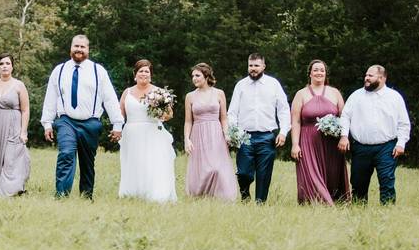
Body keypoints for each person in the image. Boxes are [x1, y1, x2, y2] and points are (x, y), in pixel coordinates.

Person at [41, 34, 123, 199]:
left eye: (82, 47)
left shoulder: (98, 71)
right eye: (76, 46)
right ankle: (61, 195)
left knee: (87, 162)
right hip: (66, 121)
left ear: (88, 50)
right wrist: (47, 123)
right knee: (65, 154)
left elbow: (110, 98)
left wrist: (117, 124)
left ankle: (86, 196)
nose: (79, 49)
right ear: (71, 48)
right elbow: (51, 97)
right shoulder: (60, 70)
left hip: (90, 122)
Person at [338, 65, 411, 204]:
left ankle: (387, 213)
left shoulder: (394, 97)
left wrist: (401, 143)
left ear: (382, 78)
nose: (366, 78)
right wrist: (344, 135)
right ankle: (358, 213)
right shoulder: (356, 96)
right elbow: (345, 116)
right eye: (366, 75)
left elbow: (403, 123)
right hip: (360, 147)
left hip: (387, 147)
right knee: (358, 183)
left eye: (370, 76)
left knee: (387, 182)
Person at [227, 53, 290, 203]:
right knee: (243, 172)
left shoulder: (273, 84)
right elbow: (232, 112)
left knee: (264, 173)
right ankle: (245, 194)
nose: (253, 69)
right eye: (250, 65)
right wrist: (233, 132)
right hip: (244, 136)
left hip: (266, 136)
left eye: (256, 65)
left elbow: (283, 109)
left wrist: (283, 132)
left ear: (263, 66)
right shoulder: (241, 85)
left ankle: (260, 203)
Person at [290, 59, 350, 205]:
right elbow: (296, 121)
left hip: (331, 142)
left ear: (325, 73)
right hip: (308, 140)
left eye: (322, 70)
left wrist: (344, 136)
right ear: (310, 73)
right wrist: (295, 144)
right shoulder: (301, 94)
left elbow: (344, 117)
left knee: (332, 173)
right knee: (311, 173)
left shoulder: (334, 93)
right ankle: (320, 203)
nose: (319, 72)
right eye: (316, 70)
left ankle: (336, 199)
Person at [118, 59, 177, 202]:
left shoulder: (158, 92)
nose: (143, 73)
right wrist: (117, 130)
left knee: (152, 162)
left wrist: (159, 114)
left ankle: (156, 193)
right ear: (135, 74)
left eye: (146, 71)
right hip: (131, 133)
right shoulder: (127, 92)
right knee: (134, 162)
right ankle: (133, 192)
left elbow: (169, 114)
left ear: (150, 75)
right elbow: (120, 114)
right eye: (140, 71)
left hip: (152, 132)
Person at [184, 63, 237, 200]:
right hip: (198, 132)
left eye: (197, 75)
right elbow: (188, 121)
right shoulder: (190, 96)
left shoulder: (219, 93)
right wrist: (186, 139)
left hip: (215, 133)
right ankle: (200, 196)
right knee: (201, 167)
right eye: (193, 76)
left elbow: (224, 118)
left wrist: (227, 134)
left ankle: (220, 196)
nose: (194, 78)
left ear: (206, 76)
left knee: (216, 167)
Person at [0, 53, 31, 197]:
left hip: (13, 125)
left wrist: (23, 131)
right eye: (1, 63)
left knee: (10, 158)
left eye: (7, 63)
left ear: (12, 66)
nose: (4, 66)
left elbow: (25, 109)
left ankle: (11, 190)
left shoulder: (18, 85)